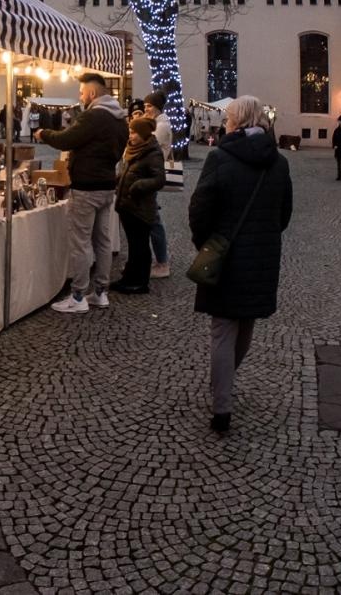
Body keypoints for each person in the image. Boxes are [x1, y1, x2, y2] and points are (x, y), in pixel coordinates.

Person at [188, 95, 293, 433]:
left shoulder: (220, 156)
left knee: (222, 329)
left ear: (234, 121)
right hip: (262, 255)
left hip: (227, 253)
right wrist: (263, 237)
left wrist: (206, 242)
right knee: (245, 322)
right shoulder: (278, 162)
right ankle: (225, 385)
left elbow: (199, 208)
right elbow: (284, 213)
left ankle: (222, 407)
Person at [37, 73, 125, 314]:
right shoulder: (120, 119)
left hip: (87, 188)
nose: (81, 97)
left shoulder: (94, 115)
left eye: (82, 93)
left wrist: (44, 134)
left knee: (81, 243)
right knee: (103, 242)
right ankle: (100, 292)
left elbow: (67, 139)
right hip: (107, 186)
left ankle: (78, 296)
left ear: (93, 94)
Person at [110, 115, 165, 294]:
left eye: (134, 133)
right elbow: (128, 172)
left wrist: (138, 186)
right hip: (127, 205)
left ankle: (140, 282)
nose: (130, 135)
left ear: (143, 134)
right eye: (130, 132)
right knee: (134, 246)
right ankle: (129, 278)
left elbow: (159, 179)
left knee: (140, 246)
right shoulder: (133, 149)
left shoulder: (152, 152)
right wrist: (117, 179)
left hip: (140, 207)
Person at [140, 91, 173, 278]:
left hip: (151, 176)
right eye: (145, 106)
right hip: (149, 175)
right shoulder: (157, 123)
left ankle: (162, 263)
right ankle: (157, 260)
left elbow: (147, 146)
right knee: (151, 219)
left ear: (158, 107)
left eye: (149, 106)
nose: (146, 110)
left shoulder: (161, 126)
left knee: (153, 220)